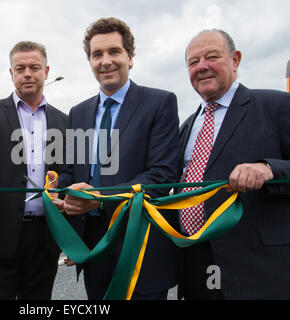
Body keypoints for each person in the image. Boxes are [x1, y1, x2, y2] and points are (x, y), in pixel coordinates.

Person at [50, 17, 180, 300]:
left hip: (141, 243)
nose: (105, 61)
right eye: (97, 54)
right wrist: (59, 189)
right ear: (90, 62)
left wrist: (99, 196)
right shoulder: (78, 113)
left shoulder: (160, 103)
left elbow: (162, 176)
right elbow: (72, 172)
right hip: (94, 245)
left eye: (114, 52)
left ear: (130, 57)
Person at [179, 29, 290, 299]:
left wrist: (269, 168)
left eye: (212, 57)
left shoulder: (276, 105)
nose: (202, 66)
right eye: (193, 62)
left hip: (259, 271)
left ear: (236, 60)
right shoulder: (185, 128)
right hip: (196, 268)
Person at [0, 41, 68, 300]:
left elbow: (69, 173)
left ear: (46, 71)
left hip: (45, 239)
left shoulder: (64, 121)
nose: (27, 73)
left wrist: (73, 236)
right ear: (11, 73)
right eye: (20, 68)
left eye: (34, 67)